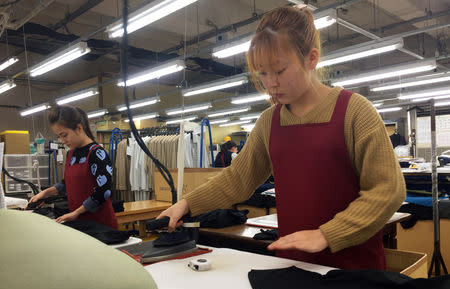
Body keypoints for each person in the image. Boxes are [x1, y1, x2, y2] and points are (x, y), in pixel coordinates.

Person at [158, 6, 405, 270]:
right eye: (262, 73)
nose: (270, 83)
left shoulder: (355, 112)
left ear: (311, 59)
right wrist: (185, 204)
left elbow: (388, 189)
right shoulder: (269, 122)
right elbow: (238, 179)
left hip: (355, 275)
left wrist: (326, 234)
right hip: (292, 268)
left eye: (279, 70)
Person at [29, 105, 118, 229]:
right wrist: (45, 193)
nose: (62, 140)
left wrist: (76, 212)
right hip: (79, 222)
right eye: (59, 136)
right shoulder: (71, 154)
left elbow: (103, 192)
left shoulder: (97, 153)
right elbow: (68, 183)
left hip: (100, 225)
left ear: (79, 128)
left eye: (64, 135)